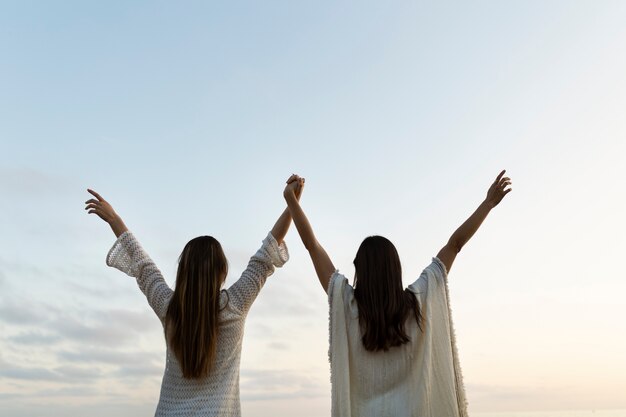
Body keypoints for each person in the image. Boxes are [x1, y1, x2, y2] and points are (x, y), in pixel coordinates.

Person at [283, 170, 512, 417]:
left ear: (360, 270)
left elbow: (311, 246)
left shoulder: (347, 305)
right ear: (396, 269)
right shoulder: (417, 303)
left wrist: (292, 200)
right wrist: (488, 204)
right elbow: (455, 245)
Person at [84, 175, 303, 417]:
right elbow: (266, 253)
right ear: (222, 271)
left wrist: (114, 219)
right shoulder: (235, 304)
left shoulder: (169, 308)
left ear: (183, 271)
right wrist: (292, 204)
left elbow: (143, 264)